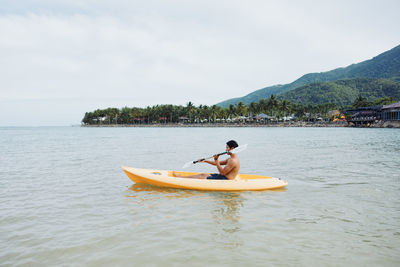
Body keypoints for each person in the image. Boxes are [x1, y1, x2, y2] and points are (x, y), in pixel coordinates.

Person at [173, 140, 240, 180]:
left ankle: (180, 178)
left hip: (225, 180)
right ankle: (181, 177)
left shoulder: (232, 161)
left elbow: (222, 173)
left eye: (227, 147)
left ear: (232, 148)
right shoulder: (230, 158)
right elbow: (216, 163)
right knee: (203, 174)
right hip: (223, 177)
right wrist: (205, 161)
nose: (226, 150)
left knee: (201, 176)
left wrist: (216, 160)